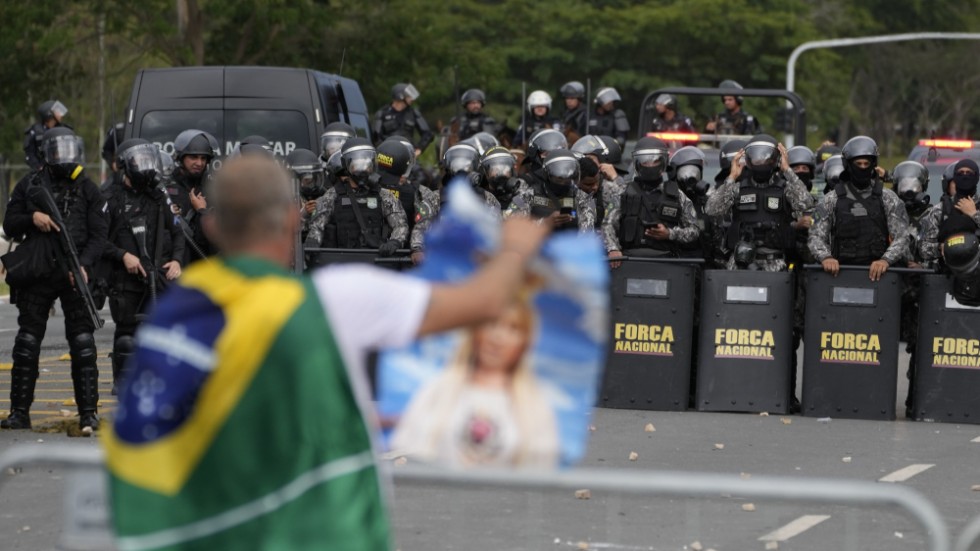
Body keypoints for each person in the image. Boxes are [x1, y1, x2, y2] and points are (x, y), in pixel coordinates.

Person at [103, 154, 553, 549]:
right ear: (294, 217)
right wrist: (515, 247)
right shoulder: (336, 299)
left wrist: (350, 412)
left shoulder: (181, 307)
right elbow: (485, 301)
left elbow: (226, 405)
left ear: (213, 225)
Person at [1, 128, 108, 431]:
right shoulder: (30, 185)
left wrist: (84, 265)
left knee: (83, 342)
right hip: (38, 272)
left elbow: (100, 235)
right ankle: (19, 412)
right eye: (57, 151)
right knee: (27, 341)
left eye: (68, 151)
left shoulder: (88, 188)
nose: (64, 157)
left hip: (74, 271)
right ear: (47, 154)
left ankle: (88, 412)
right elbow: (10, 225)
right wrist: (32, 218)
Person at [390, 293, 558, 468]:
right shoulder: (439, 388)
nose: (498, 338)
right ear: (475, 332)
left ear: (525, 343)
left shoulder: (535, 406)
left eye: (513, 329)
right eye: (492, 324)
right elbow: (405, 454)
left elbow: (541, 471)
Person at [101, 139, 184, 395]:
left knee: (163, 331)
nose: (144, 167)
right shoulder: (111, 198)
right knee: (127, 333)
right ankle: (123, 383)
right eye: (139, 161)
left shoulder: (159, 196)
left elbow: (179, 231)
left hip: (158, 276)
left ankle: (159, 381)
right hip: (125, 278)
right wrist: (122, 254)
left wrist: (178, 260)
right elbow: (97, 240)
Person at [705, 134, 813, 271]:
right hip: (740, 264)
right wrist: (732, 177)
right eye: (756, 158)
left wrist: (788, 171)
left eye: (766, 157)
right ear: (749, 159)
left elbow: (806, 203)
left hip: (774, 263)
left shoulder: (785, 189)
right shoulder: (738, 188)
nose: (761, 162)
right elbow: (712, 210)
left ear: (775, 159)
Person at [808, 136, 910, 281]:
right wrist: (826, 257)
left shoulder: (888, 198)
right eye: (858, 163)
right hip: (840, 273)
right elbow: (815, 236)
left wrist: (886, 260)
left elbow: (902, 236)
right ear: (848, 164)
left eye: (866, 163)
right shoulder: (830, 199)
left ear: (873, 164)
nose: (862, 167)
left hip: (880, 275)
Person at [603, 136, 700, 264]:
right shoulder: (622, 192)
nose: (650, 165)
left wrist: (669, 234)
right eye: (645, 161)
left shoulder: (678, 195)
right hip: (629, 261)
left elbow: (694, 231)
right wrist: (613, 249)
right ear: (637, 163)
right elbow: (608, 225)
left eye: (655, 161)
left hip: (666, 263)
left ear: (663, 162)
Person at [375, 139, 440, 265]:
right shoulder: (367, 188)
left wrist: (416, 248)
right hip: (369, 253)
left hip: (406, 258)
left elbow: (426, 224)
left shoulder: (421, 192)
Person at [167, 129, 219, 266]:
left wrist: (202, 211)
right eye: (194, 157)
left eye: (203, 158)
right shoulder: (166, 187)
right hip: (173, 265)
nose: (199, 163)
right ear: (181, 158)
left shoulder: (212, 188)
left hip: (203, 265)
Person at [509, 149, 594, 232]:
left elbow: (587, 234)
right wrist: (546, 223)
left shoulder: (583, 199)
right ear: (547, 174)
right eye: (559, 179)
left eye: (568, 178)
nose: (564, 182)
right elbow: (513, 229)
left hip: (570, 245)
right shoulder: (526, 196)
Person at [919, 159, 980, 267]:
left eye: (969, 173)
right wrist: (941, 247)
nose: (965, 176)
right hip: (946, 276)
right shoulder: (939, 210)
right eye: (961, 173)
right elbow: (924, 249)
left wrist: (974, 214)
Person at [372, 83, 434, 157]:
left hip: (408, 156)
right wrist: (384, 153)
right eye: (408, 96)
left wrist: (419, 149)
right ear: (400, 96)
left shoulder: (413, 113)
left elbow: (427, 134)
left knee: (421, 169)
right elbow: (376, 137)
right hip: (387, 157)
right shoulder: (382, 114)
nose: (412, 99)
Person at [23, 100, 70, 171]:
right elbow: (29, 154)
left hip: (62, 171)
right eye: (57, 111)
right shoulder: (35, 132)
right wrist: (39, 168)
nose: (60, 114)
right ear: (49, 114)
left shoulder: (64, 130)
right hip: (42, 172)